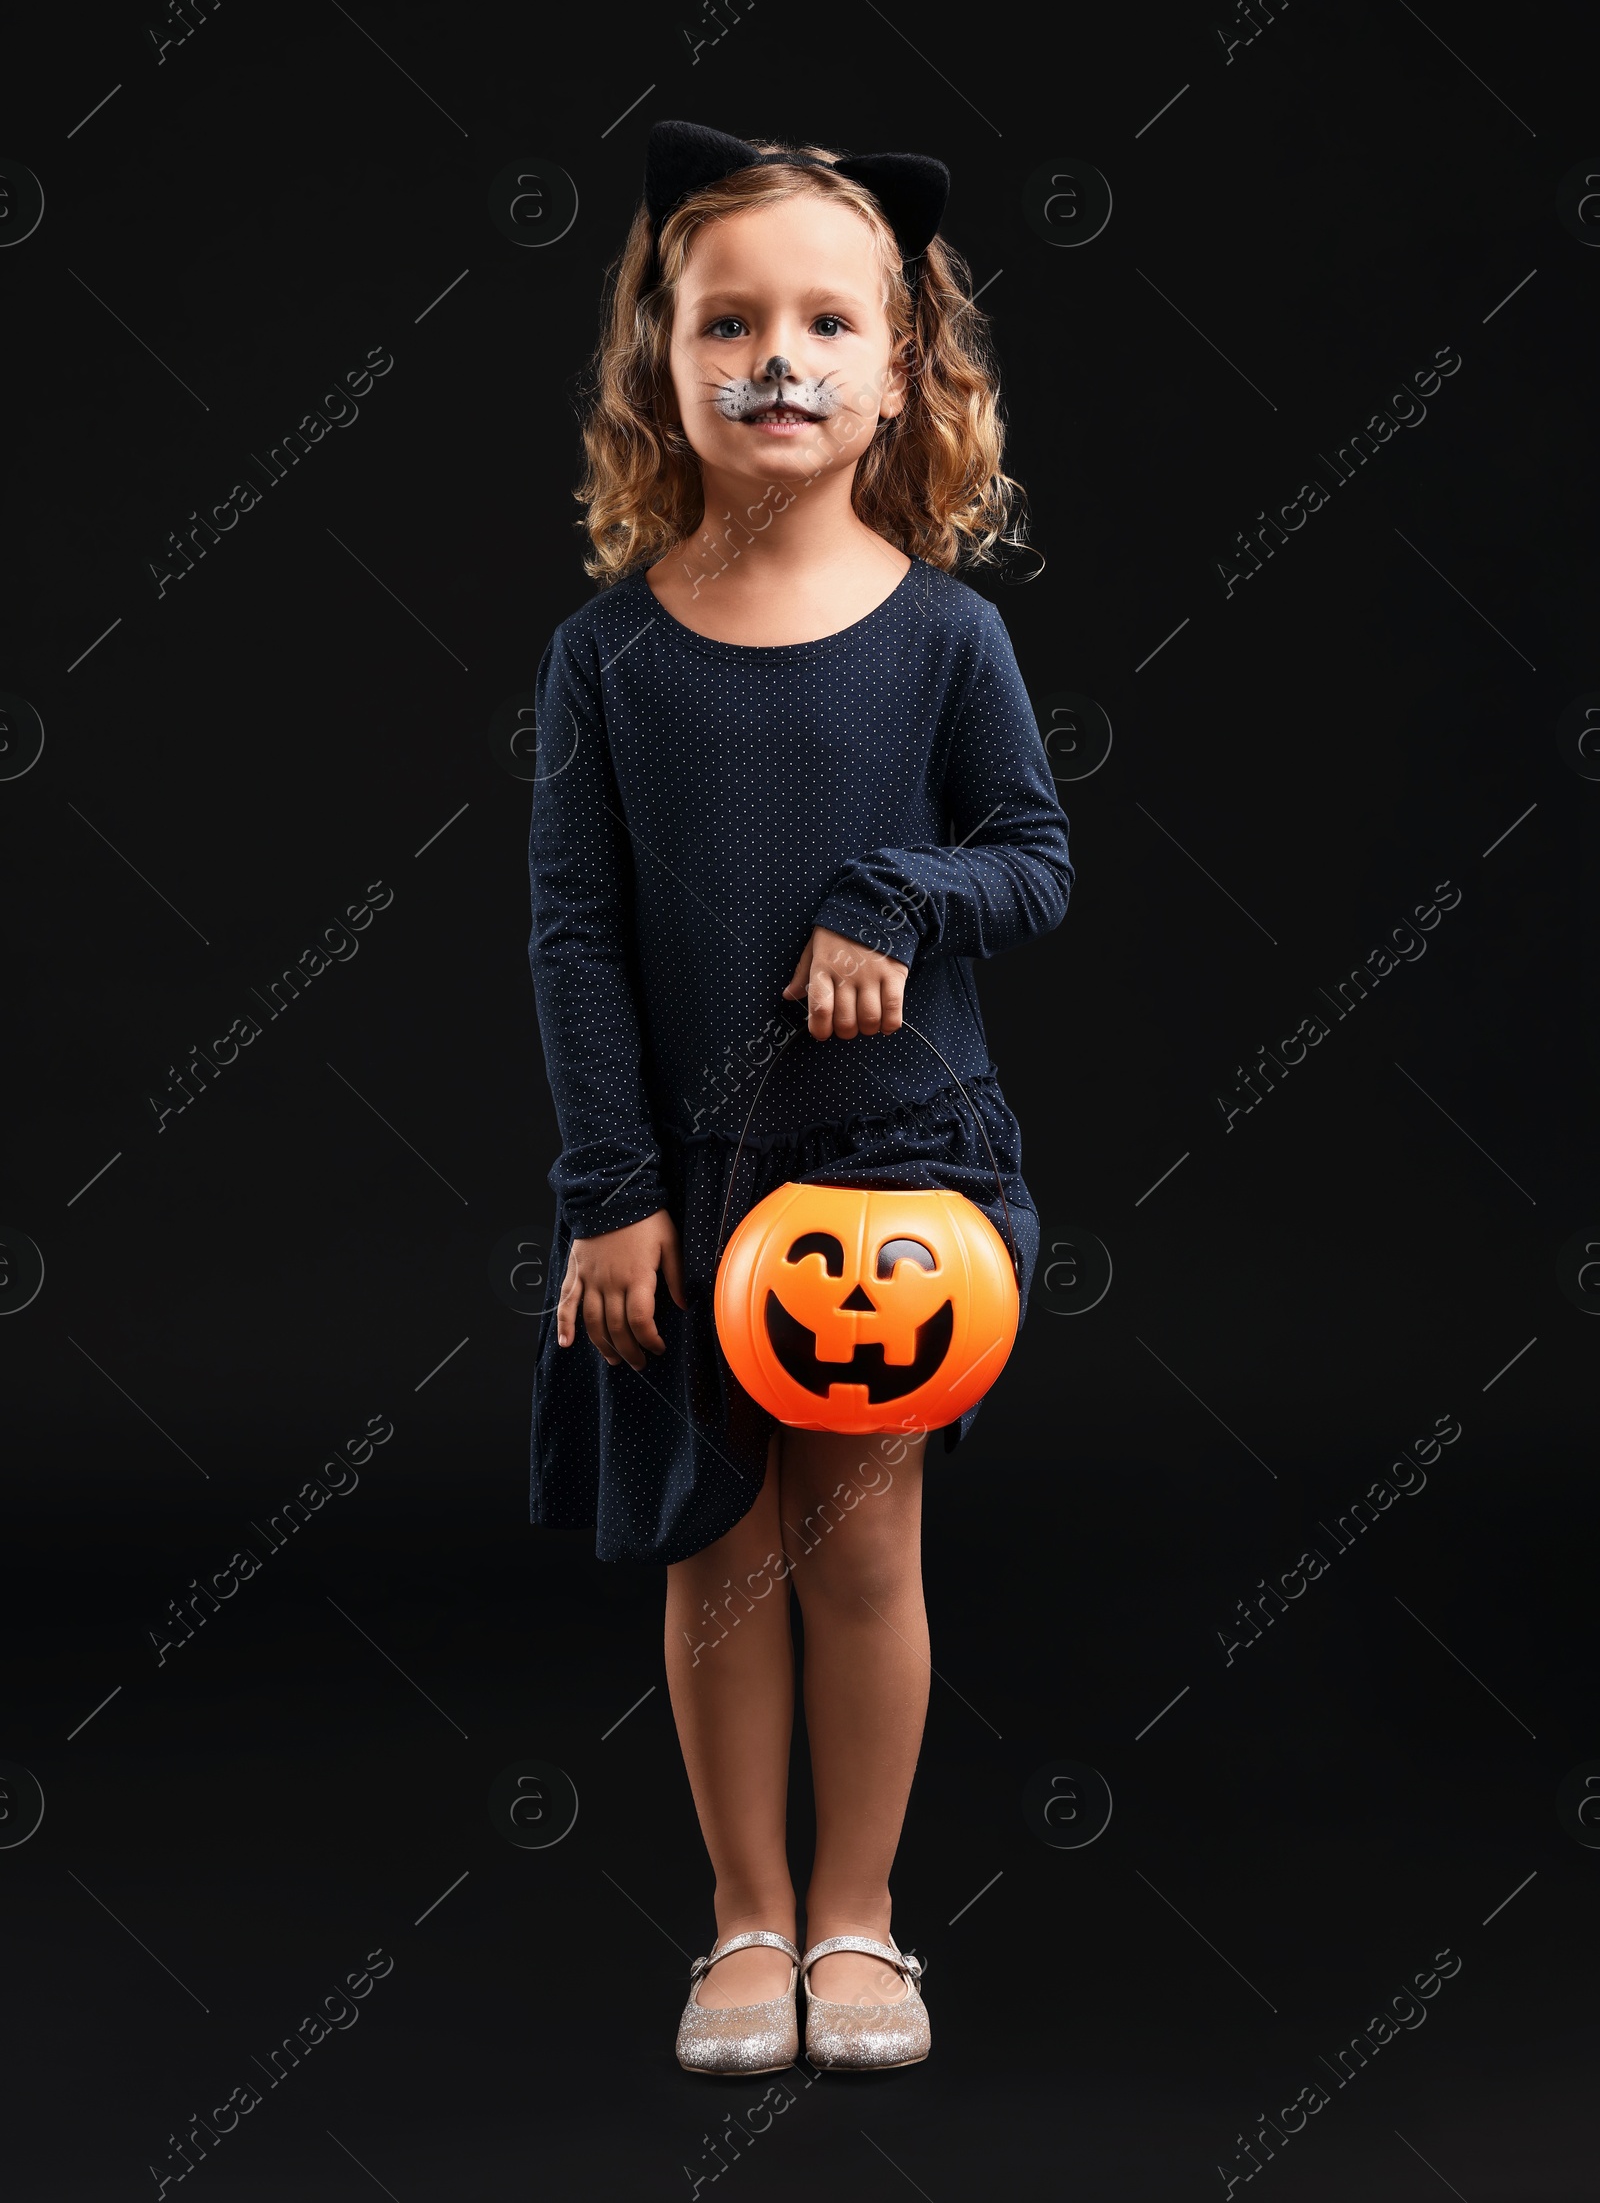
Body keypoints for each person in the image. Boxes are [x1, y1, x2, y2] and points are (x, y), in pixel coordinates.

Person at [526, 120, 1075, 2073]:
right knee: (714, 1542)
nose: (778, 358)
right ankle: (738, 1921)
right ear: (656, 364)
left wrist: (892, 897)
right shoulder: (603, 657)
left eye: (826, 321)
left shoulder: (947, 638)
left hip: (887, 1176)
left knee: (856, 1544)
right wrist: (609, 1189)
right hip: (679, 1168)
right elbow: (572, 936)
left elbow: (1030, 856)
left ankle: (862, 1926)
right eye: (727, 320)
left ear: (903, 366)